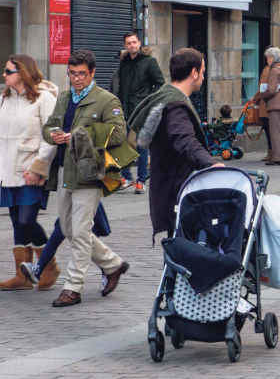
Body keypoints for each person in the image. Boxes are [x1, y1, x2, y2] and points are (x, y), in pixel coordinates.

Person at [42, 50, 130, 307]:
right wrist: (54, 135)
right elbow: (49, 127)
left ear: (91, 73)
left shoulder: (106, 99)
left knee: (80, 232)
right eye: (72, 73)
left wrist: (80, 134)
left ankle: (73, 288)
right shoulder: (65, 97)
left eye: (81, 73)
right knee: (69, 229)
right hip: (65, 172)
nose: (76, 78)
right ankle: (113, 264)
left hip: (91, 174)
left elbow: (117, 135)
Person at [130, 47, 221, 242]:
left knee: (178, 247)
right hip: (177, 187)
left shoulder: (166, 95)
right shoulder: (175, 104)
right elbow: (184, 140)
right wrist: (211, 163)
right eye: (203, 72)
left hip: (169, 185)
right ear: (194, 73)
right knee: (183, 247)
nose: (204, 77)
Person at [0, 55, 58, 290]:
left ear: (22, 72)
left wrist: (39, 166)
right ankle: (22, 275)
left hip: (30, 168)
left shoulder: (44, 98)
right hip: (7, 168)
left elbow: (51, 136)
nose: (4, 75)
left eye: (8, 71)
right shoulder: (4, 99)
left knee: (27, 219)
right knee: (17, 221)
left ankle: (47, 266)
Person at [112, 32, 163, 194]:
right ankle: (126, 177)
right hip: (125, 109)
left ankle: (141, 180)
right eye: (128, 43)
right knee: (123, 143)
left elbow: (160, 83)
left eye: (134, 42)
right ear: (125, 45)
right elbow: (119, 85)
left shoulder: (149, 62)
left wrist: (149, 100)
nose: (132, 45)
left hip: (141, 109)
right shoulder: (124, 63)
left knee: (140, 146)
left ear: (139, 43)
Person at [256, 47, 280, 165]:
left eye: (268, 58)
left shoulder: (274, 71)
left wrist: (263, 96)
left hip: (276, 105)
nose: (267, 60)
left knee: (275, 131)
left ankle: (277, 157)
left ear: (272, 58)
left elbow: (271, 90)